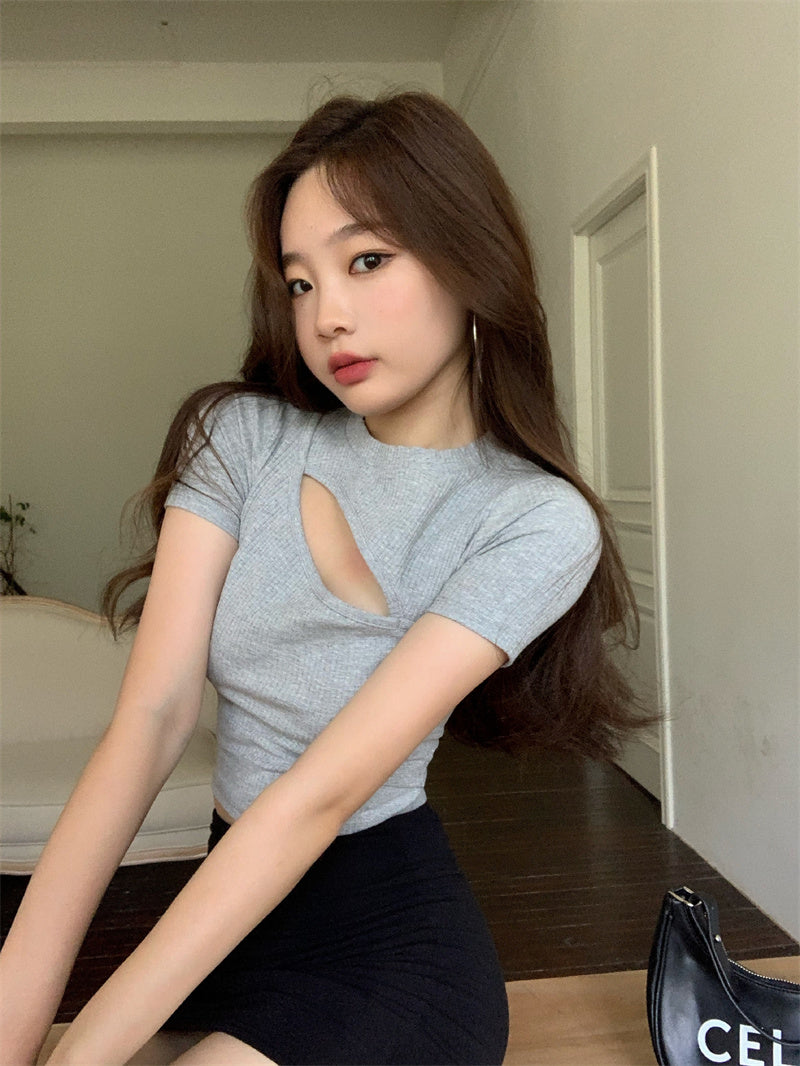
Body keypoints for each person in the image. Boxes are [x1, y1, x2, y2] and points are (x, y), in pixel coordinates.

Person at [0, 91, 645, 1066]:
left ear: (470, 259)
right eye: (300, 282)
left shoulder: (533, 520)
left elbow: (317, 796)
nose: (326, 315)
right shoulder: (240, 436)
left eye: (367, 260)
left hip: (385, 952)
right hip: (226, 917)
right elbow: (152, 719)